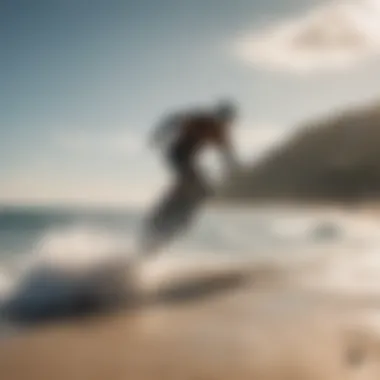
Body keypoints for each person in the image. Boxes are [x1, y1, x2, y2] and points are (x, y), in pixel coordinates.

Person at [149, 99, 239, 198]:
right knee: (191, 181)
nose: (222, 125)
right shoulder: (202, 121)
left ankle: (181, 199)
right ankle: (172, 202)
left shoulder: (220, 134)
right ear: (217, 117)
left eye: (225, 123)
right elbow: (176, 119)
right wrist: (159, 135)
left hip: (189, 158)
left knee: (203, 188)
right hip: (177, 153)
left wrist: (233, 168)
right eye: (221, 121)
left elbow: (227, 154)